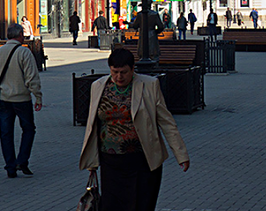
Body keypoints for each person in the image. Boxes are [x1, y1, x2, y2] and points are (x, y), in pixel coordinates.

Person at [79, 47, 190, 211]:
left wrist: (181, 155)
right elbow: (93, 124)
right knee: (111, 206)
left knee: (141, 205)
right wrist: (92, 160)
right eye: (114, 71)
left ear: (133, 69)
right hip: (111, 162)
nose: (119, 77)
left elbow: (166, 122)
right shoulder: (98, 86)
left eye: (123, 72)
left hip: (142, 161)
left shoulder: (149, 85)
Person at [0, 23, 43, 178]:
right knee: (29, 129)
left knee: (6, 133)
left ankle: (10, 166)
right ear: (20, 36)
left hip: (4, 99)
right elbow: (32, 77)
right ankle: (22, 160)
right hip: (22, 99)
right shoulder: (24, 52)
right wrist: (37, 95)